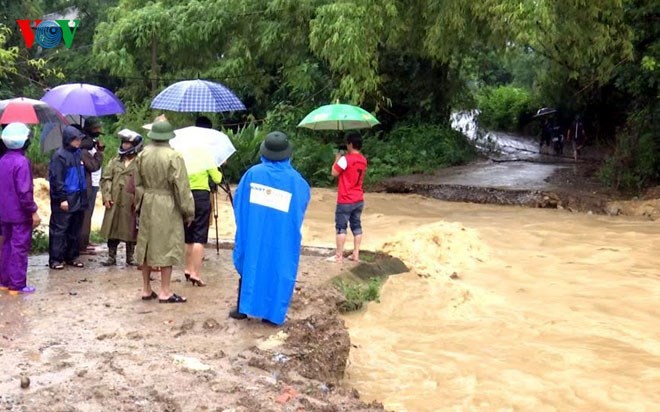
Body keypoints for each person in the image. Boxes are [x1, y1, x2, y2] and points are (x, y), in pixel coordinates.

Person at [229, 131, 311, 325]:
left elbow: (238, 202)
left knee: (251, 261)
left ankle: (244, 308)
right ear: (287, 153)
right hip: (282, 235)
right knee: (278, 267)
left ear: (264, 152)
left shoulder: (252, 174)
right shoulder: (297, 182)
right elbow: (301, 207)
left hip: (254, 232)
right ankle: (272, 314)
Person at [134, 119, 195, 303]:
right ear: (169, 136)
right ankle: (165, 290)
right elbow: (181, 186)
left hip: (147, 201)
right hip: (167, 202)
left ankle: (146, 288)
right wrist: (188, 210)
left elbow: (137, 184)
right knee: (167, 244)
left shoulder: (142, 154)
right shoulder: (173, 156)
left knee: (146, 245)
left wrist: (140, 204)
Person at [0, 123, 41, 294]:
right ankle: (17, 284)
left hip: (4, 212)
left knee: (6, 246)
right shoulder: (22, 162)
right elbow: (24, 192)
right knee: (19, 248)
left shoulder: (2, 160)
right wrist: (33, 210)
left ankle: (4, 282)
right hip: (19, 214)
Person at [183, 116, 223, 286]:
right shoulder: (207, 154)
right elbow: (218, 178)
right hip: (201, 195)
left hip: (185, 195)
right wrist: (218, 166)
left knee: (188, 235)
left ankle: (187, 268)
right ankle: (195, 273)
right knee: (200, 235)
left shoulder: (182, 153)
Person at [100, 129, 143, 266]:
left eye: (128, 143)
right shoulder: (115, 161)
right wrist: (106, 196)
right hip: (115, 200)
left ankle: (130, 257)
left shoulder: (140, 162)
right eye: (123, 143)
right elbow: (106, 178)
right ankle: (111, 256)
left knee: (131, 230)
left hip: (131, 201)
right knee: (112, 229)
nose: (125, 146)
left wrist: (139, 200)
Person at [48, 125, 88, 270]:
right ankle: (55, 259)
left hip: (79, 196)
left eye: (79, 139)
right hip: (66, 197)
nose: (78, 142)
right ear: (68, 140)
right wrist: (62, 198)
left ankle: (72, 256)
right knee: (60, 229)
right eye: (76, 139)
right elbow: (56, 179)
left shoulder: (78, 154)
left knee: (75, 229)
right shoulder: (59, 156)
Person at [329, 131, 367, 263]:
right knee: (356, 225)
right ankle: (356, 253)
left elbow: (334, 172)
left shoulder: (345, 159)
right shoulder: (363, 160)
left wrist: (337, 158)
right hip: (358, 198)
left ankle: (338, 255)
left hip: (345, 199)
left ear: (350, 144)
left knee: (341, 227)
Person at [78, 118, 104, 255]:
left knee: (88, 213)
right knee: (86, 214)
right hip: (89, 183)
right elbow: (93, 166)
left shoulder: (88, 142)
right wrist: (100, 152)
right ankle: (82, 244)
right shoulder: (86, 145)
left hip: (92, 182)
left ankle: (85, 240)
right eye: (96, 129)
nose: (99, 131)